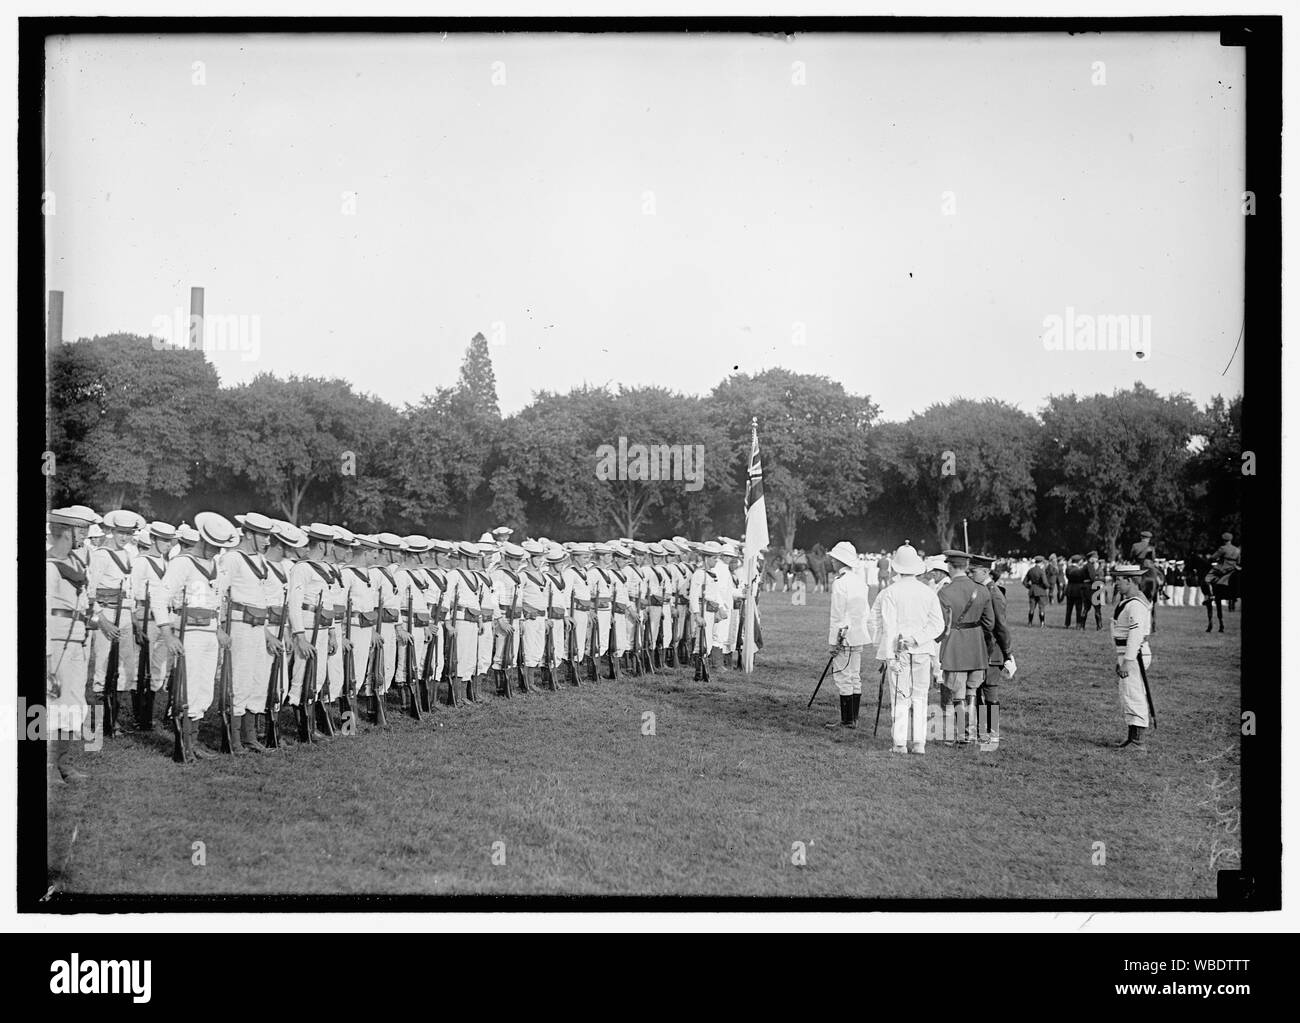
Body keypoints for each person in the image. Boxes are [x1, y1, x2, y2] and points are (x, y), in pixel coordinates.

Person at [153, 511, 240, 760]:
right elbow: (159, 598)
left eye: (220, 547)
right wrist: (168, 635)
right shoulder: (183, 563)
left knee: (204, 689)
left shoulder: (215, 565)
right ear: (202, 539)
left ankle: (195, 741)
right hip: (187, 631)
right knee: (188, 688)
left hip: (209, 633)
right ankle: (183, 744)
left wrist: (219, 629)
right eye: (212, 545)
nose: (216, 550)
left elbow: (215, 603)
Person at [872, 543, 943, 754]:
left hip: (900, 650)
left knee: (900, 695)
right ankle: (919, 743)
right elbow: (937, 624)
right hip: (921, 651)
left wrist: (888, 653)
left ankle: (900, 742)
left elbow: (888, 626)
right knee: (920, 695)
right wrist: (917, 639)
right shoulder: (928, 592)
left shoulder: (890, 593)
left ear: (897, 567)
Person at [47, 506, 100, 784]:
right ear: (65, 532)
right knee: (51, 704)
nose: (86, 535)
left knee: (74, 704)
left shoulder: (77, 563)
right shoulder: (48, 565)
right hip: (56, 641)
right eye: (81, 530)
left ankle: (64, 764)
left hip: (77, 638)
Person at [937, 550, 995, 746]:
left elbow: (941, 624)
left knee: (958, 693)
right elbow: (989, 623)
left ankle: (962, 735)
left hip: (955, 646)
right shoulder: (982, 590)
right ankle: (970, 733)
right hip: (977, 646)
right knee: (972, 690)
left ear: (950, 566)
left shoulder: (945, 592)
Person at [822, 541, 870, 733]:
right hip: (858, 634)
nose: (832, 562)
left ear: (839, 561)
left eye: (834, 559)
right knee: (854, 676)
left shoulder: (840, 583)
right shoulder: (860, 581)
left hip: (844, 635)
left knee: (843, 676)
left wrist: (833, 642)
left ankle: (847, 720)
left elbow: (837, 615)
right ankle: (854, 718)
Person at [1109, 565, 1154, 752]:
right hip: (1129, 654)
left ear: (1129, 580)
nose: (1116, 584)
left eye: (1119, 580)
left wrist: (1127, 661)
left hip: (1134, 656)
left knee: (1133, 693)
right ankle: (1132, 737)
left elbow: (1135, 635)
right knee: (1128, 693)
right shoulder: (1129, 602)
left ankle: (1138, 742)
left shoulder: (1135, 604)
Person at [970, 554, 1014, 749]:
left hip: (992, 650)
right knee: (979, 691)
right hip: (980, 649)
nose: (970, 574)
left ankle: (992, 734)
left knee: (990, 693)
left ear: (986, 571)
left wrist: (1007, 653)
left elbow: (1001, 627)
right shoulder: (981, 590)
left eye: (974, 571)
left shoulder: (994, 593)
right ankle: (983, 732)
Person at [1022, 556, 1049, 627]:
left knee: (1032, 608)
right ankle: (1042, 623)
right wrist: (1047, 587)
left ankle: (1030, 623)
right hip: (1041, 591)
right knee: (1041, 608)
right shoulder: (1041, 571)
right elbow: (1045, 582)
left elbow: (1024, 582)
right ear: (1041, 563)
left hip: (1032, 590)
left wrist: (1030, 587)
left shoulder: (1031, 570)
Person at [1063, 554, 1089, 630]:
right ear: (1079, 561)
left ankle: (1067, 623)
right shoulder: (1079, 570)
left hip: (1070, 589)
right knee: (1079, 608)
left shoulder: (1068, 568)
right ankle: (1078, 623)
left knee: (1069, 609)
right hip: (1078, 590)